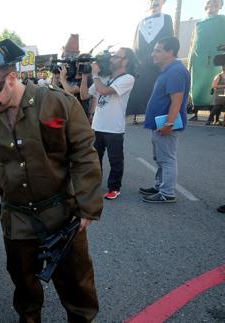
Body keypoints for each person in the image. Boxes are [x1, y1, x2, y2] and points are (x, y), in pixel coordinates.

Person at [0, 39, 102, 323]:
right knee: (25, 289)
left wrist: (87, 206)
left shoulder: (57, 103)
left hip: (62, 214)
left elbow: (84, 153)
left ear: (12, 78)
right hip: (17, 220)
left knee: (77, 288)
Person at [80, 48, 137, 200]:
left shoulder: (128, 78)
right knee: (94, 158)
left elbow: (104, 91)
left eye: (116, 56)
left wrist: (95, 74)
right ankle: (94, 184)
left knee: (115, 160)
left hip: (114, 128)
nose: (111, 59)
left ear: (126, 61)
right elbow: (84, 95)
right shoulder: (104, 77)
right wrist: (85, 77)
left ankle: (114, 187)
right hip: (97, 126)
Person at [140, 37, 190, 203]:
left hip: (166, 125)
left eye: (158, 50)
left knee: (167, 159)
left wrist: (169, 124)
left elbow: (177, 100)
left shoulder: (175, 71)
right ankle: (160, 186)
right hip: (160, 124)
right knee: (161, 158)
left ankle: (167, 193)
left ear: (170, 52)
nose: (153, 53)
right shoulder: (168, 70)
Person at [128, 0, 174, 124]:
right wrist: (137, 60)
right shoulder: (140, 23)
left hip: (158, 63)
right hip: (142, 63)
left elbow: (169, 41)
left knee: (158, 88)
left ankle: (159, 116)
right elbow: (135, 44)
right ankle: (139, 115)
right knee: (141, 88)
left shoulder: (167, 19)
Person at [189, 0, 225, 117]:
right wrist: (191, 60)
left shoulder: (223, 20)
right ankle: (196, 111)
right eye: (210, 1)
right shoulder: (199, 23)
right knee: (198, 85)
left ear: (221, 6)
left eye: (216, 3)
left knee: (214, 85)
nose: (213, 5)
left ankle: (214, 113)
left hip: (217, 58)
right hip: (200, 60)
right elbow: (193, 43)